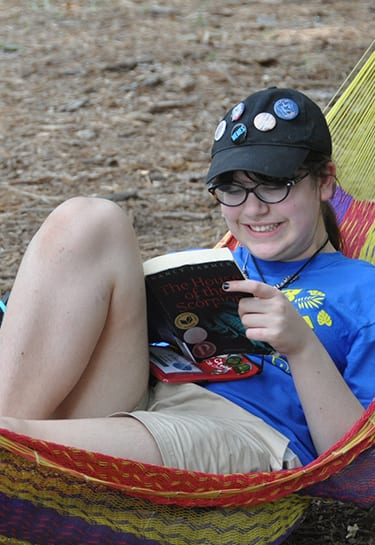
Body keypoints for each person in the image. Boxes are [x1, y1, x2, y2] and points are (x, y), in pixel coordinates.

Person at [0, 87, 373, 474]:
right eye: (232, 189)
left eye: (274, 184)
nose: (254, 207)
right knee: (88, 218)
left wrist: (302, 347)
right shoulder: (216, 265)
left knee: (14, 442)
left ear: (325, 182)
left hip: (242, 433)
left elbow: (359, 471)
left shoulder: (364, 292)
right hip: (149, 398)